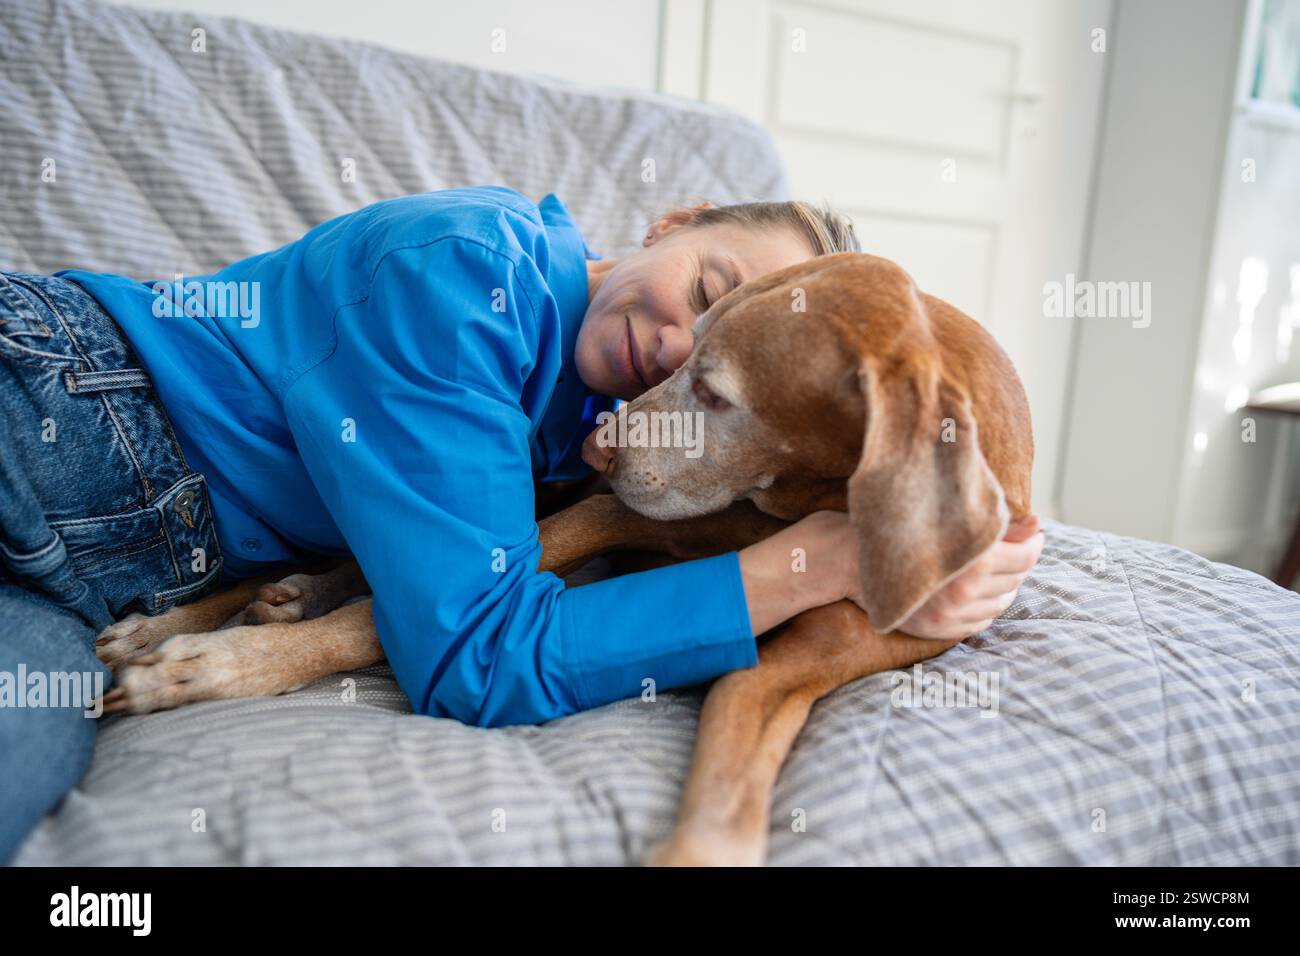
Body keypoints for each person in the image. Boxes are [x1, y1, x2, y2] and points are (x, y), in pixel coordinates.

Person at [0, 186, 1044, 860]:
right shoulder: (464, 280)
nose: (672, 350)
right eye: (708, 295)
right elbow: (480, 657)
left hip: (86, 588)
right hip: (60, 409)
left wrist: (933, 543)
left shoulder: (595, 425)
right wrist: (817, 561)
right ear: (673, 221)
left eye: (707, 375)